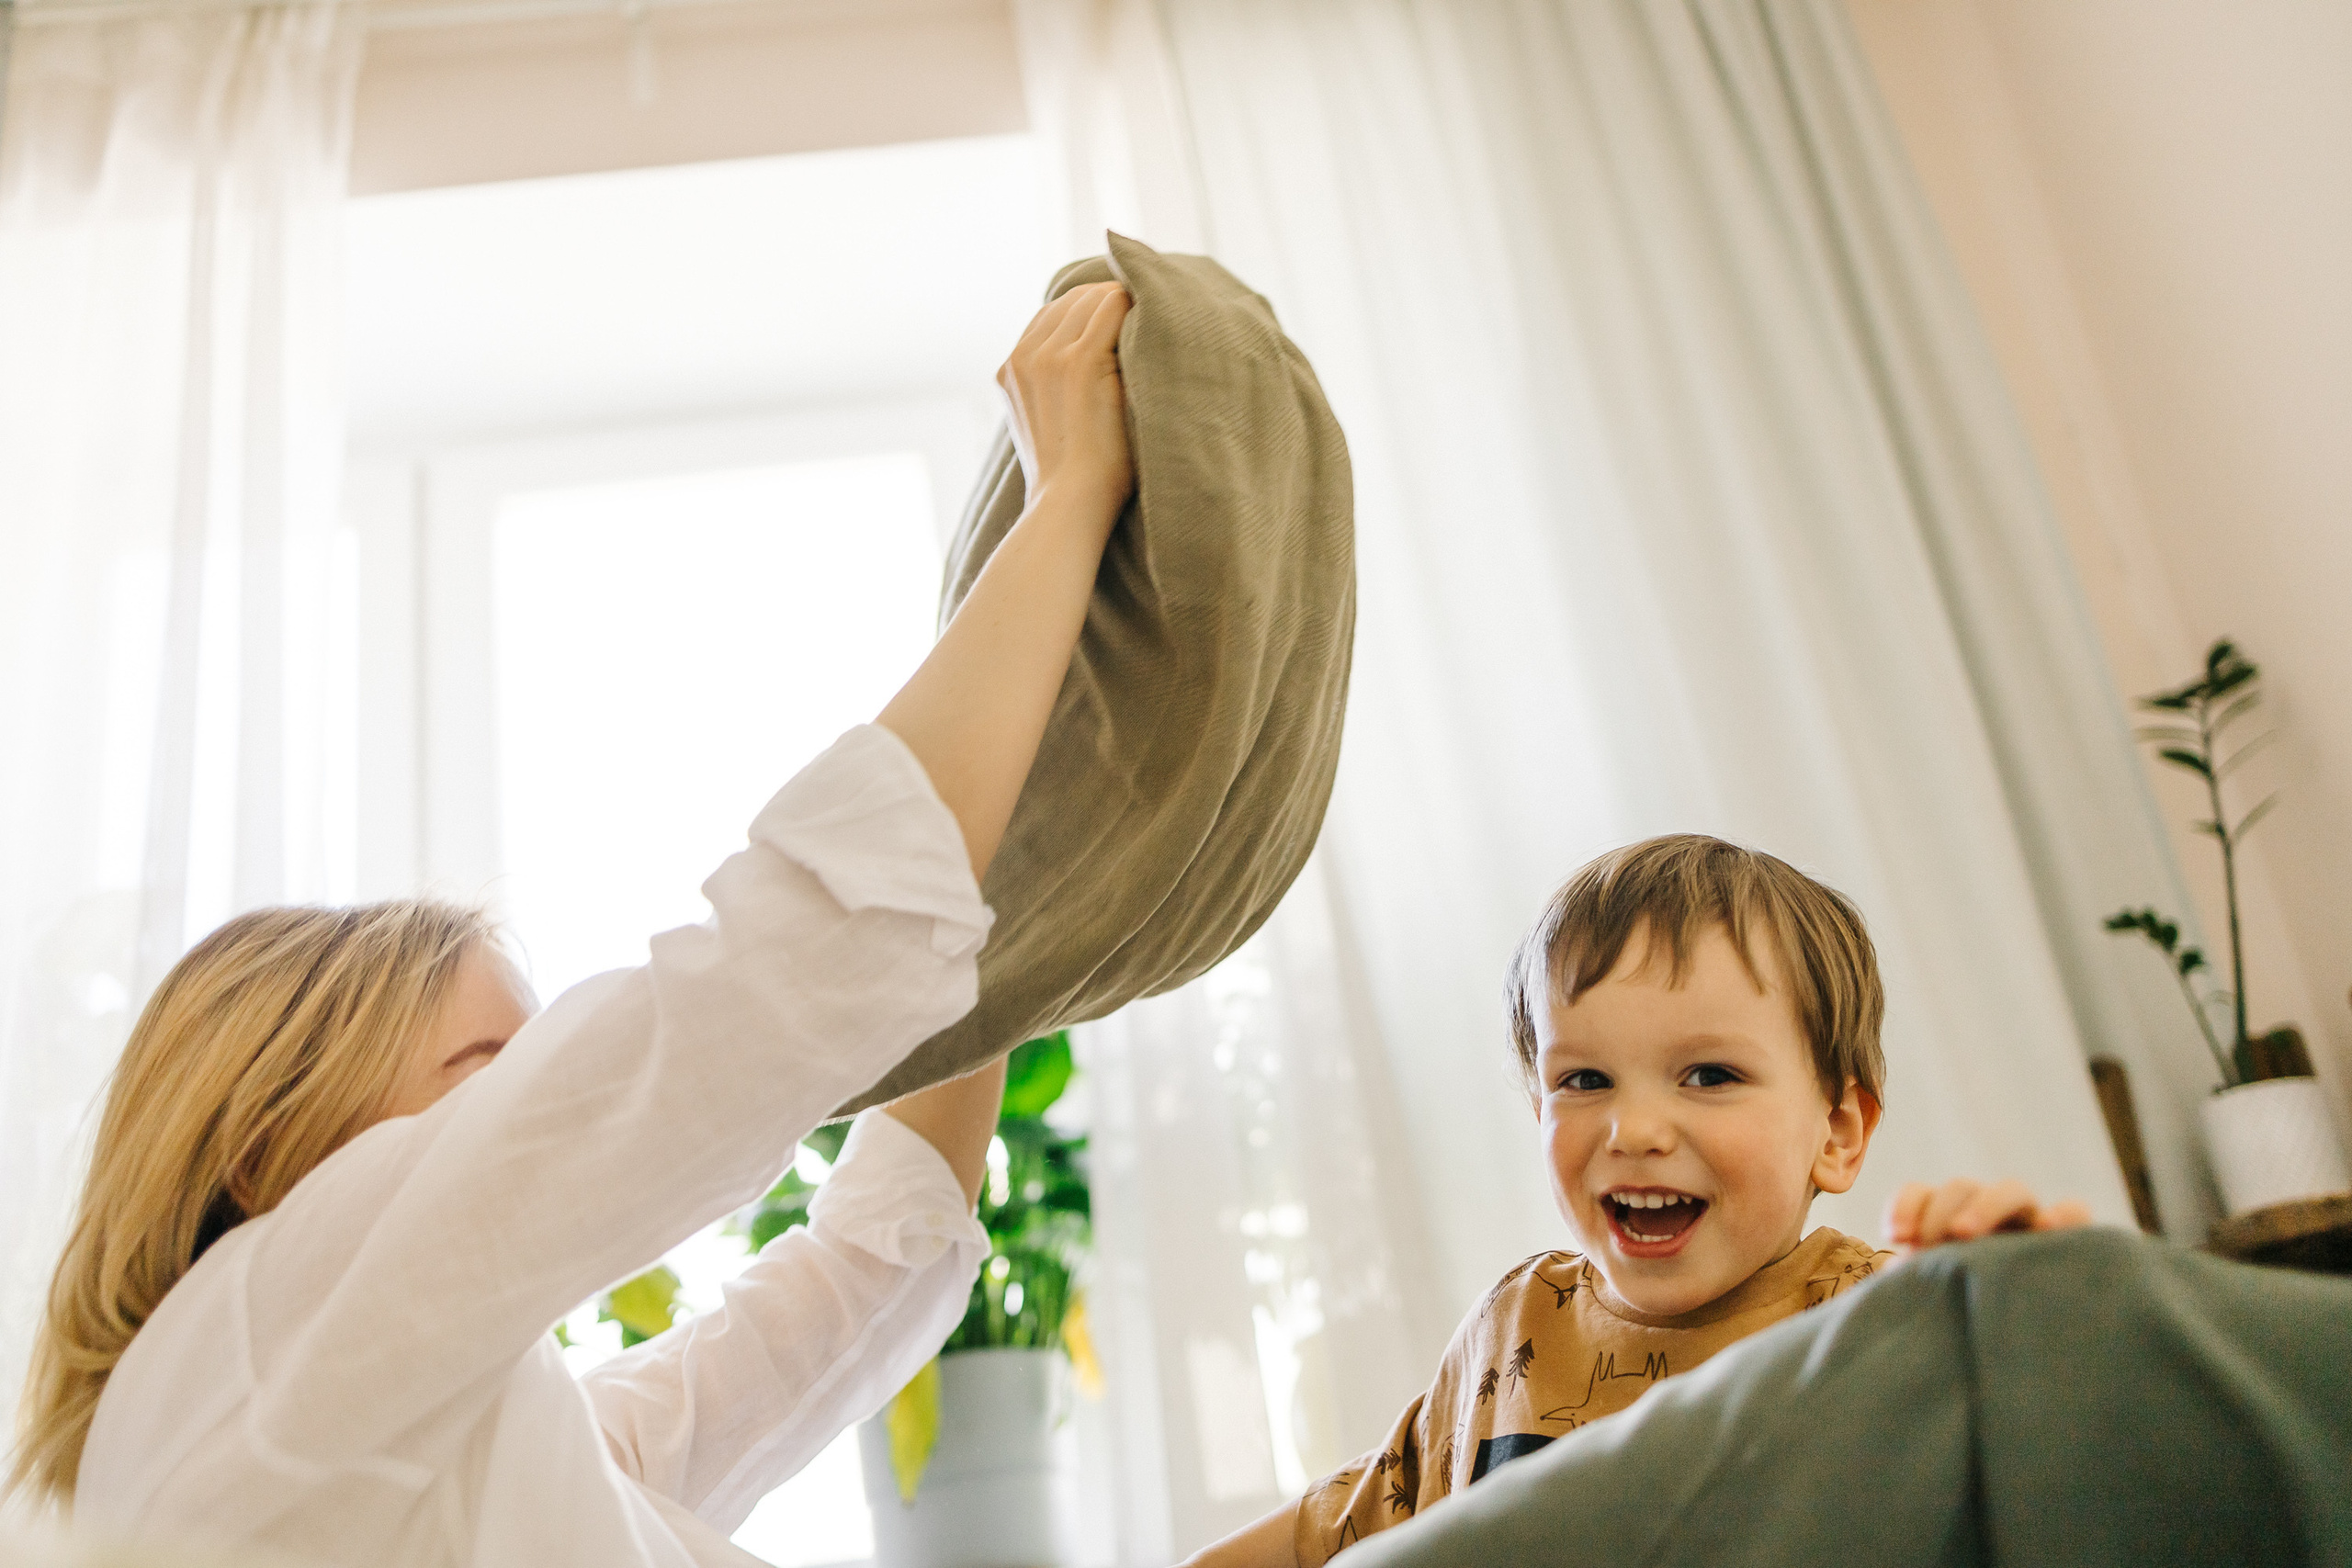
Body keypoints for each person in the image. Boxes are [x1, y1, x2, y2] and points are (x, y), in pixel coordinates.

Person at [6, 280, 1139, 1568]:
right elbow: (776, 984)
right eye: (490, 1077)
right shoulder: (254, 1342)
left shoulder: (462, 1457)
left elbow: (871, 1264)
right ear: (263, 1155)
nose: (545, 1114)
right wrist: (1068, 502)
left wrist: (1017, 823)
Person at [1183, 834, 2093, 1568]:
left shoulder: (1880, 1316)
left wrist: (2022, 1303)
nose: (1633, 1129)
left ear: (1838, 1132)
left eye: (1708, 1075)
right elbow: (1324, 1534)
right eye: (1583, 1079)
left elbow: (2075, 1484)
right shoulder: (1517, 1322)